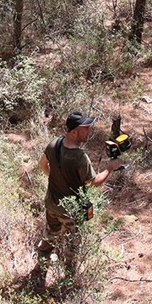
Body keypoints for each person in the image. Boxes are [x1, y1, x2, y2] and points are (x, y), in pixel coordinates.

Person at [35, 112, 121, 272]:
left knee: (50, 235)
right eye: (85, 129)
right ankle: (69, 274)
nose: (88, 131)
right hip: (71, 212)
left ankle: (40, 269)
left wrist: (55, 177)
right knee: (73, 246)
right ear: (74, 132)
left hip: (52, 206)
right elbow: (94, 183)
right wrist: (110, 167)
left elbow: (42, 165)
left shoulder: (54, 144)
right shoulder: (80, 157)